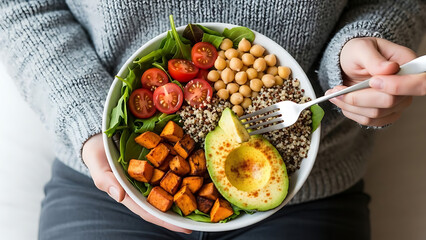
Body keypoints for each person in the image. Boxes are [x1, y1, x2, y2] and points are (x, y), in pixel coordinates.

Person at [0, 0, 424, 239]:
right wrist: (87, 118)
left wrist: (353, 64)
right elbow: (23, 8)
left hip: (310, 184)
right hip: (103, 182)